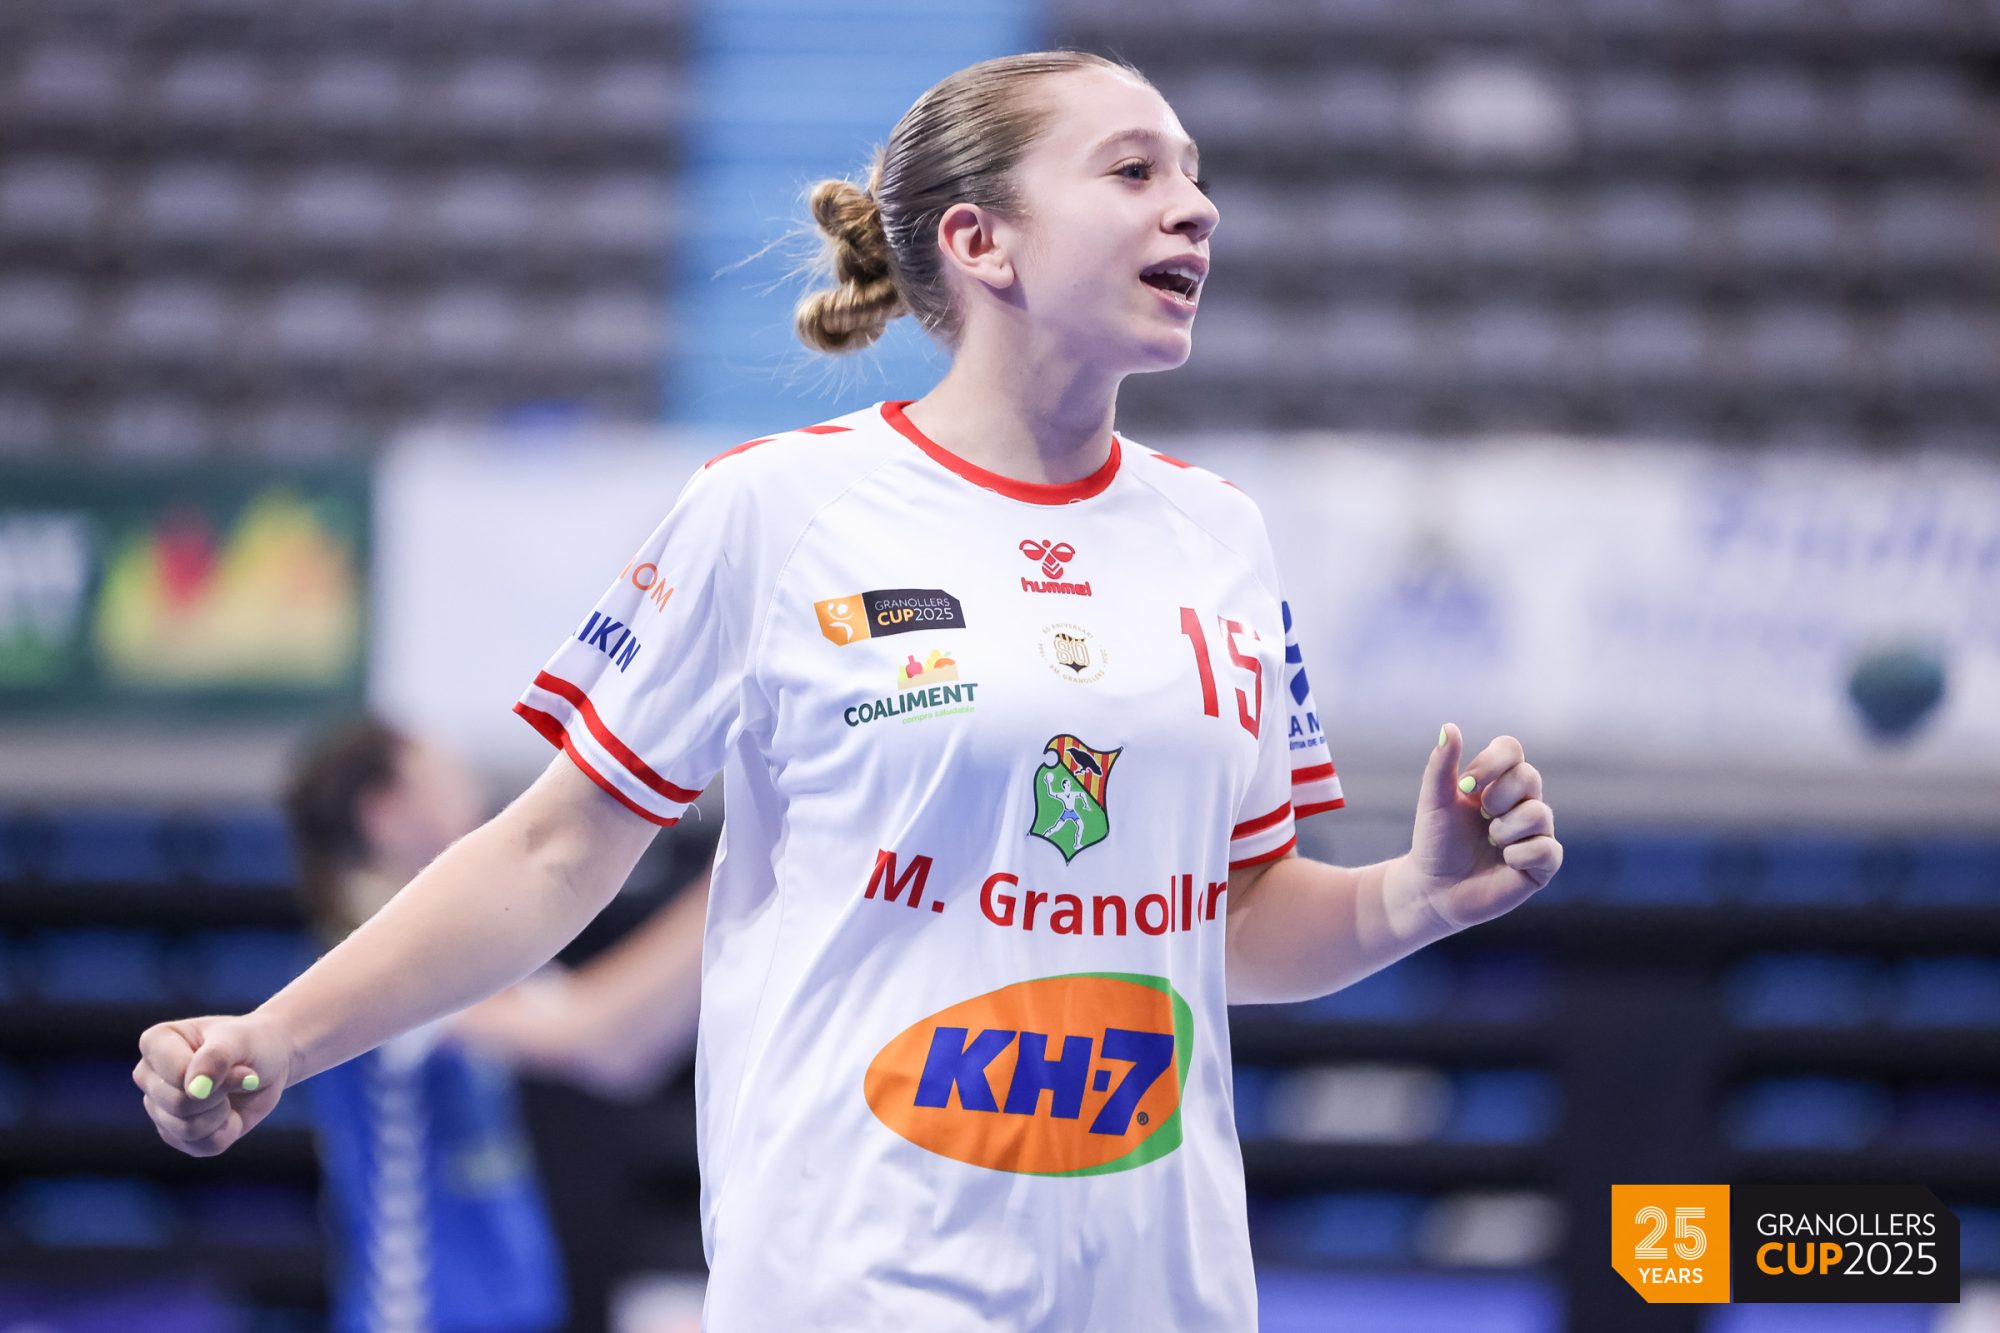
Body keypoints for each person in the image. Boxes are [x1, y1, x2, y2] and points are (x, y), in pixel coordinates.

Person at [136, 51, 1563, 1330]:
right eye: (1133, 171)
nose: (1194, 209)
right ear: (980, 240)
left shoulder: (1219, 535)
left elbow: (1233, 917)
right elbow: (552, 848)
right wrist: (278, 1038)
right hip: (863, 1278)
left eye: (1193, 174)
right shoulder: (776, 511)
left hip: (1162, 1290)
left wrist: (1412, 897)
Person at [278, 717, 708, 1332]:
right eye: (448, 781)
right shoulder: (373, 977)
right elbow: (594, 1036)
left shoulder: (466, 957)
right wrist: (732, 874)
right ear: (386, 814)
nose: (478, 803)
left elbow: (624, 1051)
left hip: (510, 1312)